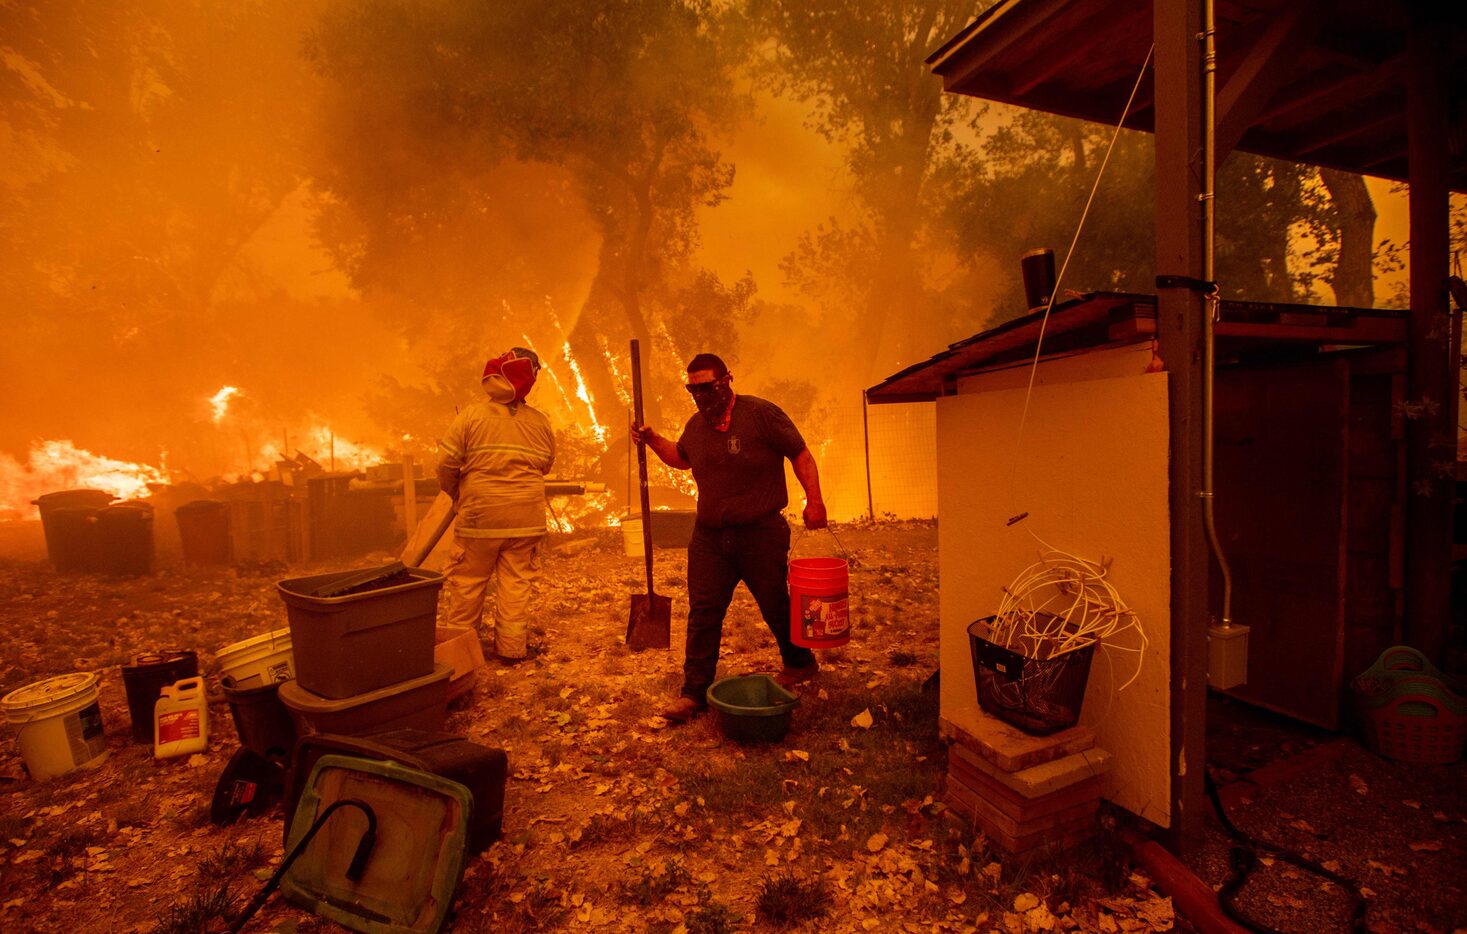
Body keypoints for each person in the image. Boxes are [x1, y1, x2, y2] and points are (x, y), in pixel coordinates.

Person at [631, 352, 827, 723]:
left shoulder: (761, 415)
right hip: (710, 537)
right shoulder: (696, 426)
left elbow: (800, 454)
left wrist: (814, 501)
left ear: (727, 381)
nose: (701, 395)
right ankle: (693, 694)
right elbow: (681, 457)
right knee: (704, 611)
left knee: (774, 602)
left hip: (761, 532)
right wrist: (653, 439)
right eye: (693, 390)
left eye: (707, 387)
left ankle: (799, 662)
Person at [436, 347, 555, 661]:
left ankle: (460, 657)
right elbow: (545, 465)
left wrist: (457, 495)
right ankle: (512, 651)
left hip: (479, 520)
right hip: (526, 520)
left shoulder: (471, 417)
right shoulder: (540, 422)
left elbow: (446, 465)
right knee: (516, 586)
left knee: (468, 585)